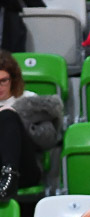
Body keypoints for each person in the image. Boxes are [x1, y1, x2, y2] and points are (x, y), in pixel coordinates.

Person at [0, 50, 42, 200]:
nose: (0, 86)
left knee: (8, 115)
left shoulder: (29, 100)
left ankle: (9, 176)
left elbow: (46, 139)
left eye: (4, 81)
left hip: (23, 168)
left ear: (13, 79)